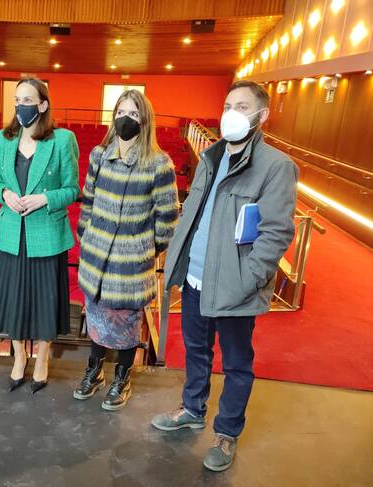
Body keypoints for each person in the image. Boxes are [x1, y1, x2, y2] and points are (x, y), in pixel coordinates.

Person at [150, 80, 298, 472]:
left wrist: (250, 278)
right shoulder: (211, 157)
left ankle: (227, 432)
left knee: (236, 363)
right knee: (196, 351)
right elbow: (194, 213)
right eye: (228, 105)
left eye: (242, 107)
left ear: (262, 115)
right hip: (196, 278)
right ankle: (192, 410)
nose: (231, 113)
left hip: (235, 286)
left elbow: (277, 231)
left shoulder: (276, 166)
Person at [74, 90, 179, 410]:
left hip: (130, 262)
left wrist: (143, 249)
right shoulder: (99, 155)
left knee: (126, 323)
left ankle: (122, 376)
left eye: (134, 114)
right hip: (96, 256)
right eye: (121, 112)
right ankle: (94, 371)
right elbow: (88, 202)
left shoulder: (158, 163)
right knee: (96, 317)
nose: (126, 119)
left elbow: (168, 218)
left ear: (144, 121)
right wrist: (86, 236)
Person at [0, 77, 79, 393]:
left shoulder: (62, 140)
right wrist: (5, 195)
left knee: (44, 301)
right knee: (14, 299)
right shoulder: (3, 138)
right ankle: (19, 356)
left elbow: (72, 189)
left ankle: (42, 358)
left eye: (28, 100)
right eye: (17, 100)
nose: (20, 106)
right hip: (11, 233)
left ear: (42, 105)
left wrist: (45, 198)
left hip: (47, 234)